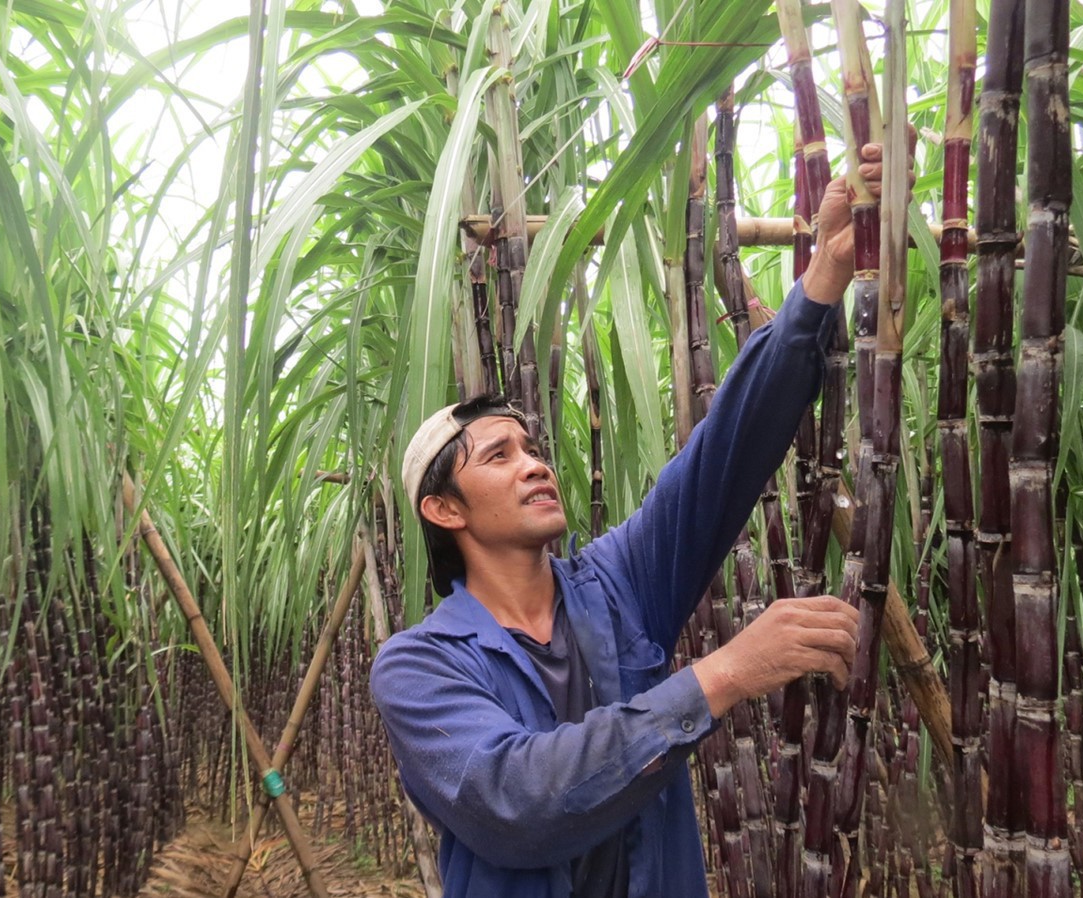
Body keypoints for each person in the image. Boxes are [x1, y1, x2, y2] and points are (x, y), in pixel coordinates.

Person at [371, 139, 908, 897]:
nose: (534, 463)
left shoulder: (615, 587)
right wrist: (724, 674)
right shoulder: (420, 666)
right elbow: (517, 802)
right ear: (443, 509)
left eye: (533, 447)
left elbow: (721, 459)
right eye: (498, 457)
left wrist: (826, 272)